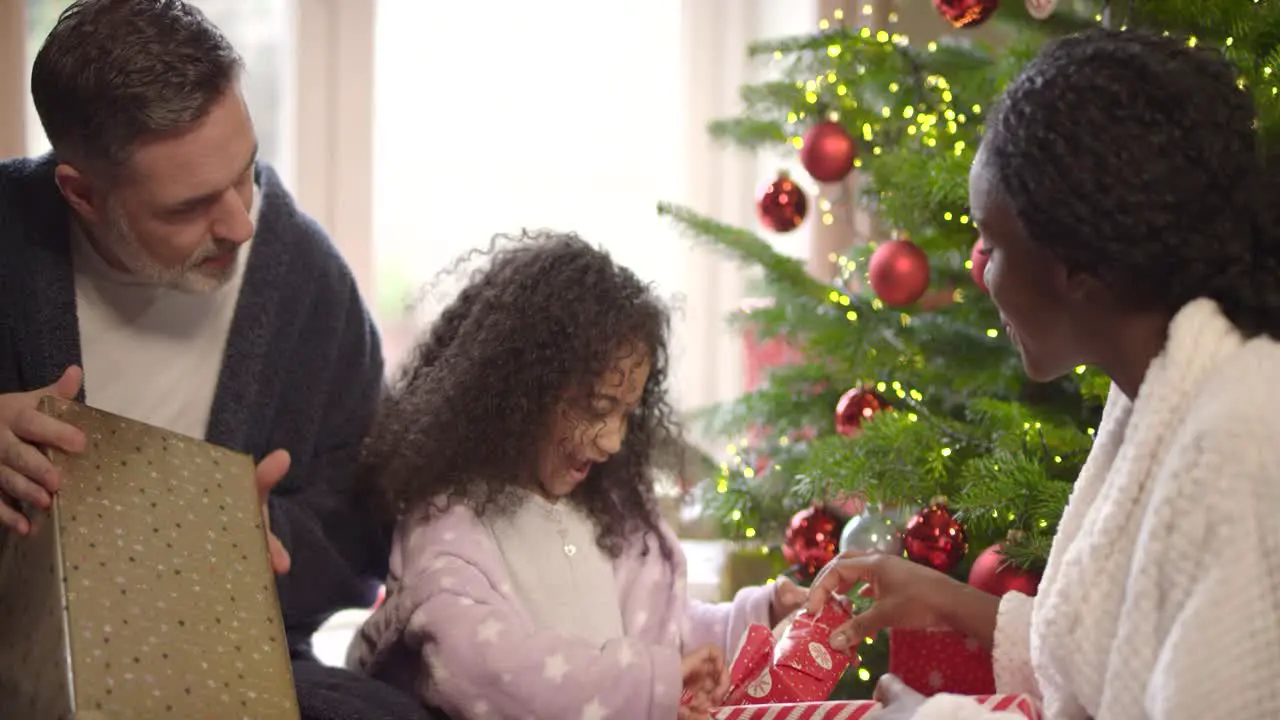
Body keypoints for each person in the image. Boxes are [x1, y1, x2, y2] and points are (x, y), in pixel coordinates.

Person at [805, 28, 1280, 720]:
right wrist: (953, 603)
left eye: (990, 244)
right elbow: (1120, 663)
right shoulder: (1158, 387)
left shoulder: (1242, 438)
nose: (979, 273)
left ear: (1076, 267)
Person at [0, 2, 433, 718]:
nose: (240, 222)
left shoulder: (308, 284)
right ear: (80, 193)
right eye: (189, 207)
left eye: (246, 171)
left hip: (231, 662)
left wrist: (242, 552)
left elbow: (360, 527)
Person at [346, 232, 809, 720]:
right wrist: (652, 687)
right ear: (522, 393)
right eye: (596, 409)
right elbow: (480, 670)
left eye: (626, 415)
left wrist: (754, 619)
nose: (612, 440)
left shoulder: (611, 515)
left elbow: (662, 636)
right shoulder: (450, 523)